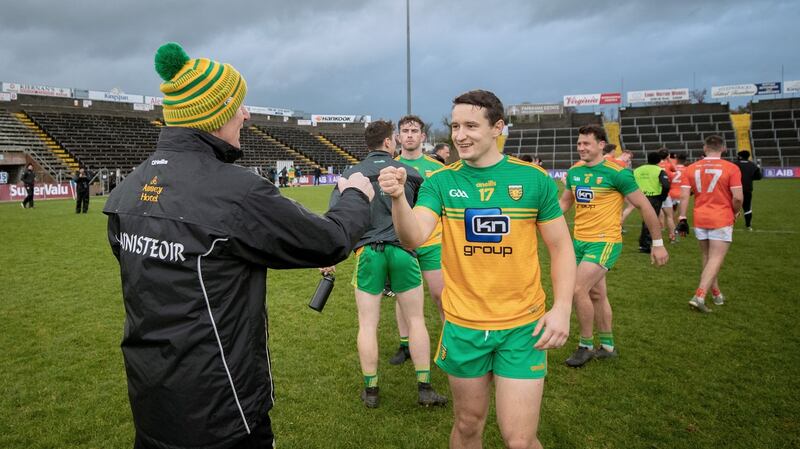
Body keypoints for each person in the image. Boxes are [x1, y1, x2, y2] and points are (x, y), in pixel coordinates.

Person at [103, 42, 374, 449]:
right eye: (240, 104)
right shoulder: (236, 192)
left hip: (151, 400)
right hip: (219, 409)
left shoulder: (127, 189)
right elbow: (329, 241)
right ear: (214, 114)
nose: (246, 114)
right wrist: (355, 195)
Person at [379, 90, 576, 449]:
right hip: (464, 326)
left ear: (497, 127)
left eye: (471, 125)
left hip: (522, 327)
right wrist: (397, 200)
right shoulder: (440, 182)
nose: (460, 134)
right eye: (455, 126)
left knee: (519, 439)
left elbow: (562, 248)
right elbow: (413, 236)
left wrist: (562, 308)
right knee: (468, 425)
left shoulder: (533, 180)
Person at [326, 119, 447, 408]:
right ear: (389, 142)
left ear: (367, 145)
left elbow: (336, 218)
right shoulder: (412, 173)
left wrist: (328, 258)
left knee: (367, 324)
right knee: (416, 320)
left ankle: (371, 391)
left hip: (369, 253)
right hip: (403, 251)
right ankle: (424, 388)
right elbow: (422, 215)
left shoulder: (351, 174)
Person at [560, 125, 669, 368]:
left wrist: (658, 243)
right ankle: (608, 346)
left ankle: (585, 345)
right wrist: (539, 221)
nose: (581, 148)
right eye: (579, 143)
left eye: (586, 143)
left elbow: (645, 206)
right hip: (579, 241)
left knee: (578, 289)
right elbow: (565, 203)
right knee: (597, 294)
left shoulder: (617, 173)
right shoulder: (575, 172)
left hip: (605, 241)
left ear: (601, 145)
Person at [388, 114, 446, 366]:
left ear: (423, 136)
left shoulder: (439, 169)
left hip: (433, 244)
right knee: (404, 297)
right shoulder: (390, 168)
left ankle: (450, 343)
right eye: (405, 131)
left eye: (414, 131)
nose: (409, 135)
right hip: (403, 245)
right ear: (398, 137)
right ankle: (405, 345)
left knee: (441, 295)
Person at [677, 135, 743, 313]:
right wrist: (735, 211)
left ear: (704, 148)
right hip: (721, 217)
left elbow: (684, 196)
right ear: (723, 148)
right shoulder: (732, 168)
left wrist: (682, 217)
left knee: (707, 257)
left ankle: (716, 292)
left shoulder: (690, 168)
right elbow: (738, 197)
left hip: (700, 217)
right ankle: (699, 295)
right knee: (716, 258)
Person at [633, 152, 670, 253]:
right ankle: (645, 245)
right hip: (654, 198)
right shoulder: (659, 170)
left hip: (639, 197)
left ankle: (643, 243)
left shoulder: (638, 169)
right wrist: (663, 196)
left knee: (645, 220)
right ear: (659, 161)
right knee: (651, 220)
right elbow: (666, 185)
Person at [734, 150, 762, 230]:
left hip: (735, 189)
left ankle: (728, 223)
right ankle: (748, 225)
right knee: (747, 207)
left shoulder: (734, 164)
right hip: (747, 189)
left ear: (740, 156)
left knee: (730, 206)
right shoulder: (753, 165)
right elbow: (759, 177)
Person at [664, 153, 688, 242]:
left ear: (676, 160)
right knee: (681, 214)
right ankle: (681, 231)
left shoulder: (671, 169)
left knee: (670, 214)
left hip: (671, 193)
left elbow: (668, 181)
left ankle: (672, 229)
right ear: (685, 161)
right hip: (682, 194)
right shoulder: (687, 169)